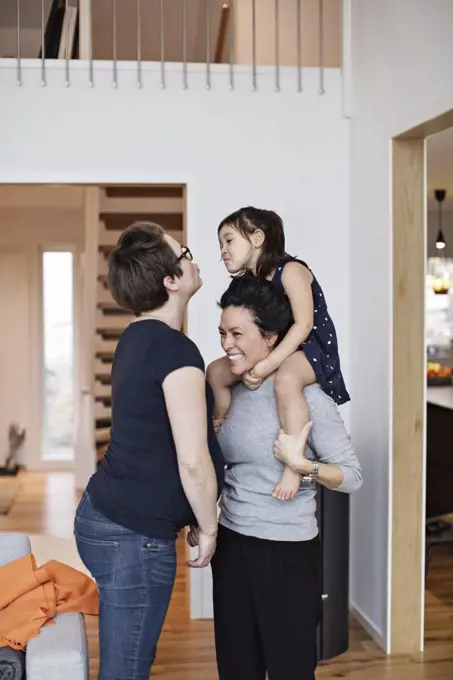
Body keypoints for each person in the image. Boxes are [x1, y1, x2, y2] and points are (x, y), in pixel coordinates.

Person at [189, 275, 362, 680]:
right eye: (221, 333)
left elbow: (352, 476)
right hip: (232, 546)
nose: (226, 343)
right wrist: (203, 517)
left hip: (287, 554)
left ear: (270, 338)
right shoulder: (230, 390)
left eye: (236, 333)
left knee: (291, 671)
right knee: (236, 669)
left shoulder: (306, 396)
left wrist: (304, 467)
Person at [74, 222, 224, 680]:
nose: (195, 260)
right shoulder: (174, 350)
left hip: (111, 520)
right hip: (129, 537)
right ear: (171, 281)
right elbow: (192, 459)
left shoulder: (138, 336)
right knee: (127, 668)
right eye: (186, 254)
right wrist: (209, 526)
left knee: (130, 659)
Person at [207, 206, 350, 500]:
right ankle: (220, 426)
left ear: (258, 238)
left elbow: (304, 324)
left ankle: (292, 465)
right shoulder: (250, 281)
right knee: (216, 372)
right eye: (220, 244)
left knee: (286, 381)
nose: (222, 250)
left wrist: (267, 364)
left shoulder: (291, 271)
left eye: (229, 240)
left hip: (311, 347)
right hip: (281, 345)